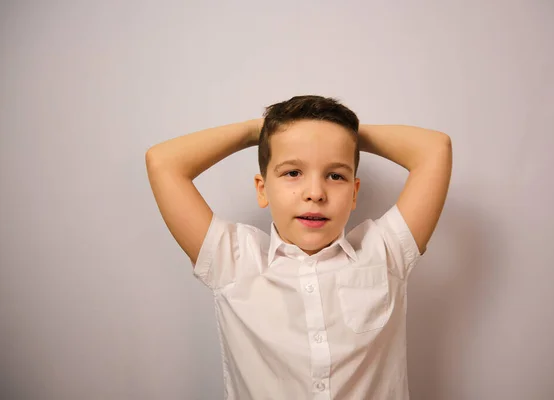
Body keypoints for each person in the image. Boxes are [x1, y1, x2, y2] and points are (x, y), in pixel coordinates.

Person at [145, 95, 452, 399]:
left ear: (354, 192)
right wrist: (259, 131)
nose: (316, 192)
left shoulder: (384, 253)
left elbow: (435, 150)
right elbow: (163, 162)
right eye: (293, 172)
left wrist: (344, 134)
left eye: (335, 175)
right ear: (262, 189)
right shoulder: (234, 260)